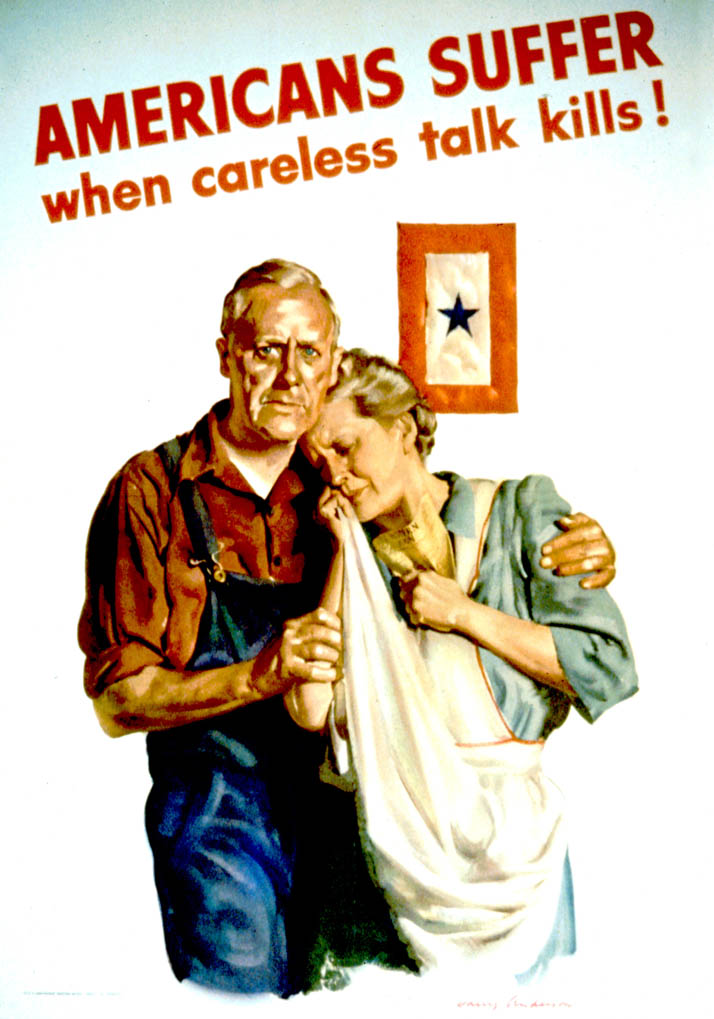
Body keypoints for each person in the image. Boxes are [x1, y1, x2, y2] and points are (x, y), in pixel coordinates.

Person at [78, 261, 620, 997]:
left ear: (333, 362)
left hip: (360, 818)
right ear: (226, 355)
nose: (289, 375)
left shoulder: (343, 478)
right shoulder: (154, 490)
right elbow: (119, 701)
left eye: (309, 354)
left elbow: (446, 538)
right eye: (267, 350)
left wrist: (578, 550)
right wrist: (258, 675)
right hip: (224, 814)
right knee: (237, 989)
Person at [292, 348, 638, 985]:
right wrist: (348, 554)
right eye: (319, 463)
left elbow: (607, 667)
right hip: (393, 853)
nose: (334, 474)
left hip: (515, 859)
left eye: (346, 447)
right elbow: (314, 709)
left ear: (400, 430)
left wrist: (466, 615)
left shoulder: (515, 513)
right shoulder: (345, 558)